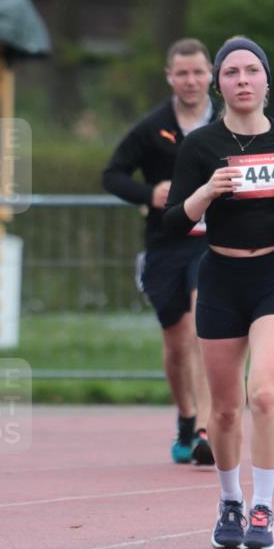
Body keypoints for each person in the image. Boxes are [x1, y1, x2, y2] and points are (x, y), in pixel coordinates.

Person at [163, 37, 274, 549]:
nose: (241, 80)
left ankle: (264, 508)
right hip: (220, 280)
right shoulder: (200, 147)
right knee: (227, 410)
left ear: (266, 81)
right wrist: (207, 192)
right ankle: (230, 501)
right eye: (231, 72)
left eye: (251, 71)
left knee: (263, 392)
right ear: (219, 83)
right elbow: (172, 222)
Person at [103, 38, 216, 465]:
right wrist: (149, 193)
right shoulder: (152, 127)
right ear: (170, 77)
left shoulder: (228, 123)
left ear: (211, 75)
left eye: (198, 72)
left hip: (213, 243)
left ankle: (206, 430)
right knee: (178, 342)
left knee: (205, 329)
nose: (191, 80)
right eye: (182, 73)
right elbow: (111, 175)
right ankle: (187, 418)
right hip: (166, 244)